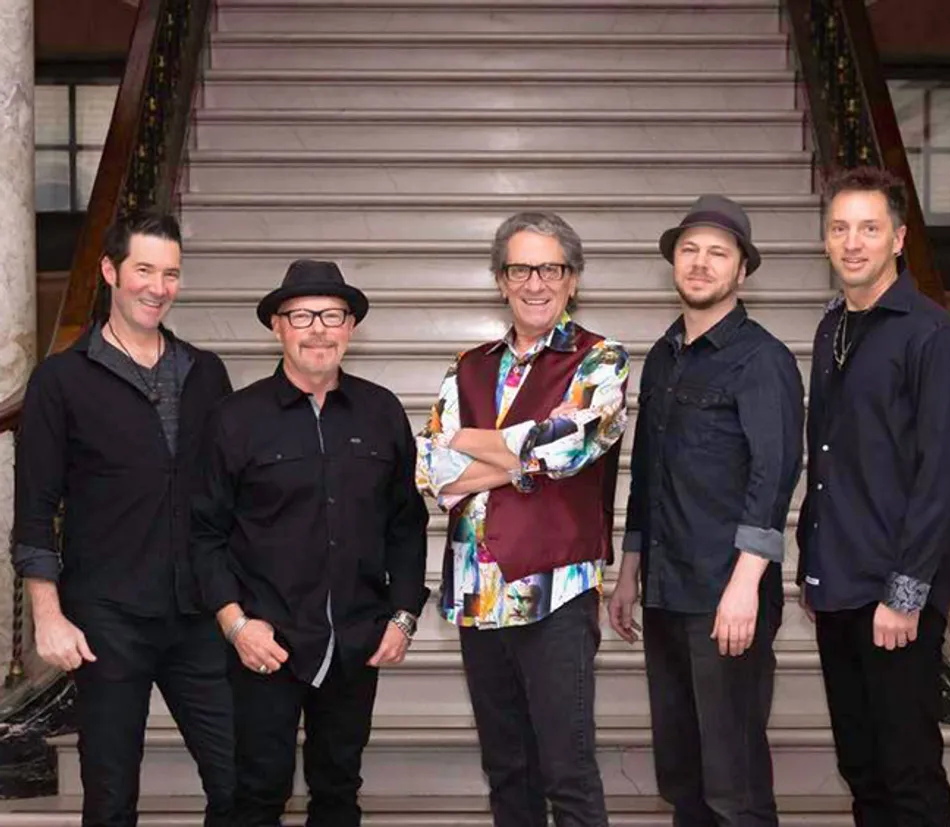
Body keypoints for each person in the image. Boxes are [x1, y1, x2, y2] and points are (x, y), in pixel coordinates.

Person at [13, 211, 235, 827]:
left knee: (242, 783)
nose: (157, 287)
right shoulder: (60, 380)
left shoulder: (206, 372)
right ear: (110, 272)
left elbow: (230, 496)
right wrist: (48, 615)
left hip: (198, 613)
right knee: (111, 800)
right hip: (106, 617)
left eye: (170, 274)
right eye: (144, 269)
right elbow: (34, 506)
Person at [190, 259, 429, 827]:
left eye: (332, 315)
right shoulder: (234, 418)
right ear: (278, 325)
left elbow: (406, 523)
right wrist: (235, 623)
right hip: (264, 644)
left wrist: (403, 617)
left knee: (339, 789)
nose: (318, 328)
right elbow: (202, 534)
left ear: (350, 327)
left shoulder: (382, 412)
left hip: (354, 641)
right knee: (255, 791)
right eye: (302, 315)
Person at [416, 212, 629, 827]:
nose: (535, 282)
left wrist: (466, 437)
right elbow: (433, 468)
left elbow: (568, 447)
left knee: (567, 771)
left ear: (573, 278)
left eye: (550, 268)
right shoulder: (469, 364)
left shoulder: (602, 360)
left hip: (555, 592)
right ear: (500, 279)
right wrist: (520, 456)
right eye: (520, 269)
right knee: (507, 770)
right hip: (476, 596)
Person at [609, 195, 804, 827]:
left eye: (717, 253)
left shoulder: (763, 359)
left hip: (728, 596)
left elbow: (775, 478)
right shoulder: (663, 355)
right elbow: (648, 470)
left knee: (733, 780)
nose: (700, 263)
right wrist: (630, 569)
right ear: (673, 263)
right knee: (683, 771)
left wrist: (746, 585)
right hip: (667, 590)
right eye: (689, 250)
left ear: (741, 270)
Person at [796, 166, 950, 827]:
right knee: (862, 768)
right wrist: (810, 563)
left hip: (894, 590)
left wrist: (905, 593)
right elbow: (828, 456)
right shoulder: (831, 328)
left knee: (908, 774)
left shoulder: (930, 334)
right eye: (840, 227)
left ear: (898, 238)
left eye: (869, 228)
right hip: (837, 582)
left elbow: (943, 474)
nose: (853, 241)